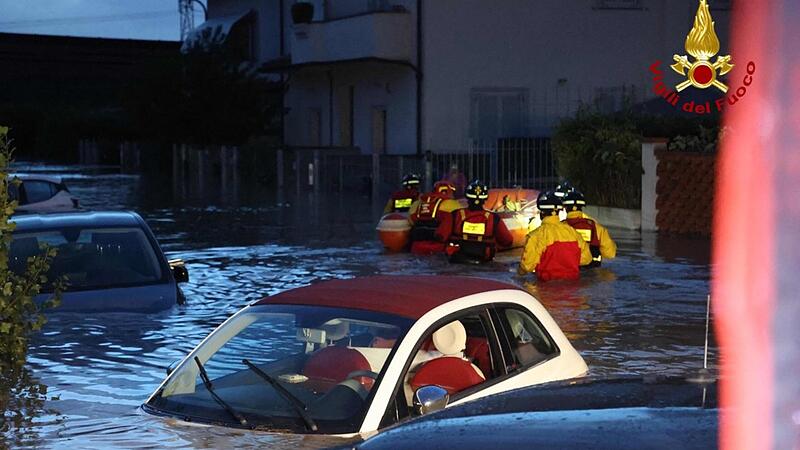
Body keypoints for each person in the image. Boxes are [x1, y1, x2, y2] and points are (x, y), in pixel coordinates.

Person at [518, 190, 592, 281]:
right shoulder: (573, 233)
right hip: (574, 289)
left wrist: (518, 273)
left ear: (542, 213)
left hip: (545, 289)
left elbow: (527, 266)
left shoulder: (535, 236)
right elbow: (586, 259)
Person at [436, 180, 513, 263]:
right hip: (484, 262)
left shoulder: (455, 215)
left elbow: (440, 236)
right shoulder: (493, 218)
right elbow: (507, 241)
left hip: (457, 260)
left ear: (467, 198)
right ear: (485, 199)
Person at [562, 190, 617, 267]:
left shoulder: (559, 228)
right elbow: (610, 254)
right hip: (593, 271)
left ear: (565, 208)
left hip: (568, 270)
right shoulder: (597, 227)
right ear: (582, 207)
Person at [408, 181, 462, 255]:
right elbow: (460, 221)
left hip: (416, 247)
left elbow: (410, 221)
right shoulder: (453, 204)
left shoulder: (417, 203)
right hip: (439, 248)